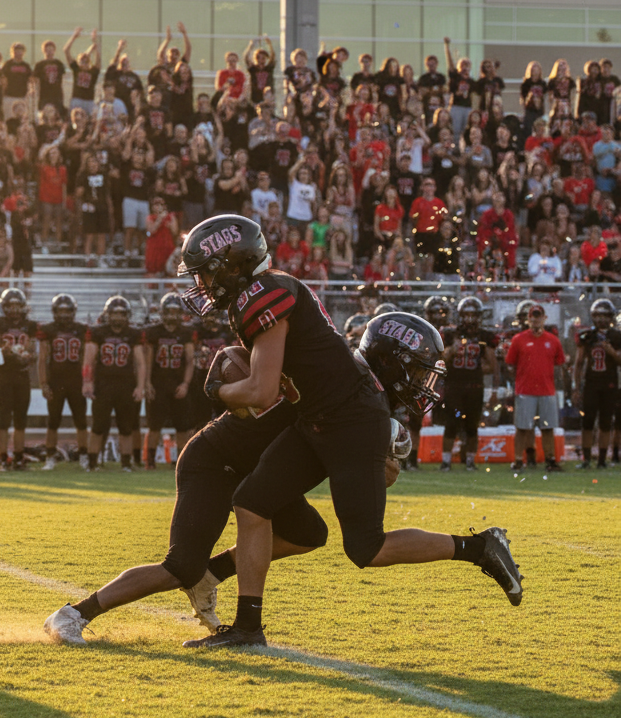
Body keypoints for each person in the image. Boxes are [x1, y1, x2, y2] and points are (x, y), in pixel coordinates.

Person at [174, 215, 523, 649]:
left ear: (232, 263)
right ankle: (248, 628)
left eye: (206, 270)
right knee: (251, 503)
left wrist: (218, 390)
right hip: (319, 419)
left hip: (349, 422)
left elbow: (262, 392)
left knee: (366, 548)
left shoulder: (265, 293)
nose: (203, 282)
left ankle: (481, 549)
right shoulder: (265, 289)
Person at [43, 394, 330, 645]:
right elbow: (237, 375)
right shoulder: (308, 376)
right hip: (215, 461)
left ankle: (209, 576)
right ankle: (73, 614)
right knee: (181, 567)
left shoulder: (340, 393)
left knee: (307, 534)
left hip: (257, 469)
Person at [83, 296, 146, 473]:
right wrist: (87, 382)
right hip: (103, 385)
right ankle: (92, 463)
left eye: (121, 314)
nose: (118, 317)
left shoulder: (133, 333)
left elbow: (140, 363)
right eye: (114, 313)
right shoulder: (98, 332)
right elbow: (89, 359)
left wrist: (140, 386)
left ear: (127, 315)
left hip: (126, 384)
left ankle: (126, 463)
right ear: (107, 314)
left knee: (126, 427)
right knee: (97, 426)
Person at [439, 297, 498, 472]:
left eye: (473, 315)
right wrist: (452, 350)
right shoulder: (450, 334)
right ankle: (446, 461)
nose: (470, 319)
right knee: (450, 424)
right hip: (454, 387)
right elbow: (440, 360)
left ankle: (470, 461)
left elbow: (492, 365)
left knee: (472, 426)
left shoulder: (484, 336)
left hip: (474, 387)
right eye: (467, 314)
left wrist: (476, 368)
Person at [506, 303, 564, 474]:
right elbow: (510, 364)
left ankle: (550, 459)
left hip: (547, 390)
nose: (536, 320)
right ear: (528, 319)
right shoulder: (519, 340)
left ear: (544, 319)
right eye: (533, 316)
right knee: (522, 428)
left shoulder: (553, 340)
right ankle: (518, 460)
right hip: (525, 390)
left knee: (548, 428)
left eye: (539, 316)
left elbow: (559, 364)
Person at [142, 292, 196, 469]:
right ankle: (149, 462)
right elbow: (148, 360)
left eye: (175, 311)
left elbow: (189, 360)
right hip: (158, 384)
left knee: (181, 427)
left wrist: (186, 384)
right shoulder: (154, 331)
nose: (172, 315)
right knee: (154, 426)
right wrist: (147, 383)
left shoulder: (186, 332)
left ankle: (181, 462)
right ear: (163, 312)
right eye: (169, 311)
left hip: (178, 383)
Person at [37, 293, 89, 471]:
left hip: (76, 380)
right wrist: (43, 383)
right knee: (53, 421)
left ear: (73, 312)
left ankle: (84, 455)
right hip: (56, 381)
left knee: (81, 421)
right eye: (61, 311)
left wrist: (87, 381)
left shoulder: (81, 329)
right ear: (54, 312)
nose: (64, 315)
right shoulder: (48, 330)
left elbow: (85, 358)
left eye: (67, 311)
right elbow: (43, 358)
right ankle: (50, 456)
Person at [0, 287, 37, 471]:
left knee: (20, 421)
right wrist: (5, 352)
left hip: (22, 377)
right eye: (11, 305)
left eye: (18, 306)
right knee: (3, 420)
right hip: (4, 377)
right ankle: (2, 459)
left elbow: (33, 354)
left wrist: (28, 357)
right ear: (4, 306)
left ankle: (18, 458)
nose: (15, 309)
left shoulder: (29, 325)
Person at [573, 299, 621, 469]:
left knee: (606, 423)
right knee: (588, 422)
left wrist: (612, 352)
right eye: (598, 315)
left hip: (609, 383)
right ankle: (586, 458)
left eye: (604, 315)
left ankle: (601, 459)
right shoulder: (587, 336)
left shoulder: (617, 336)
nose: (601, 319)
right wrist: (576, 387)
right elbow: (578, 363)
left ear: (611, 317)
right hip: (591, 383)